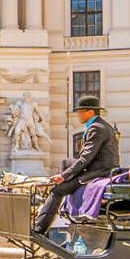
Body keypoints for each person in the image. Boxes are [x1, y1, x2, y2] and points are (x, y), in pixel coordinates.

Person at [31, 95, 120, 234]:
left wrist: (63, 176)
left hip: (99, 171)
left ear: (90, 112)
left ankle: (39, 228)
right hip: (98, 166)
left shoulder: (96, 128)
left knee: (57, 191)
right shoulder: (100, 125)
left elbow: (86, 159)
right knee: (66, 162)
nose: (77, 115)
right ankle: (59, 190)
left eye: (80, 112)